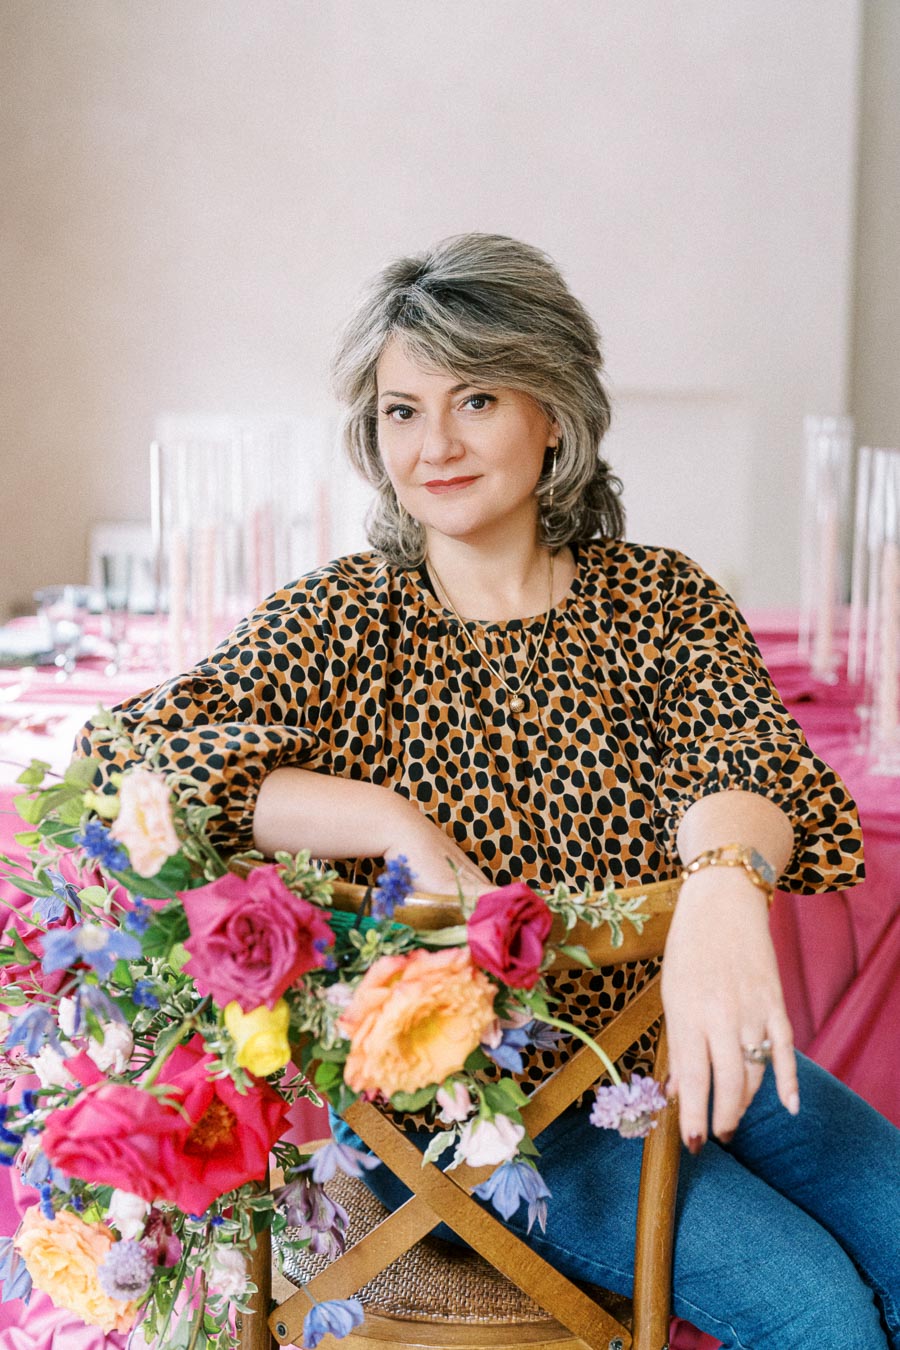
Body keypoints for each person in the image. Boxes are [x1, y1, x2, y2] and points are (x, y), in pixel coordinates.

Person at [85, 234, 899, 1348]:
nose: (435, 446)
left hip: (686, 1046)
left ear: (552, 411)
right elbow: (133, 759)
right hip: (482, 1112)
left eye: (475, 399)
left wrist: (721, 879)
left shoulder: (659, 599)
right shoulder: (345, 619)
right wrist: (390, 820)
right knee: (823, 1314)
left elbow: (745, 757)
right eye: (402, 411)